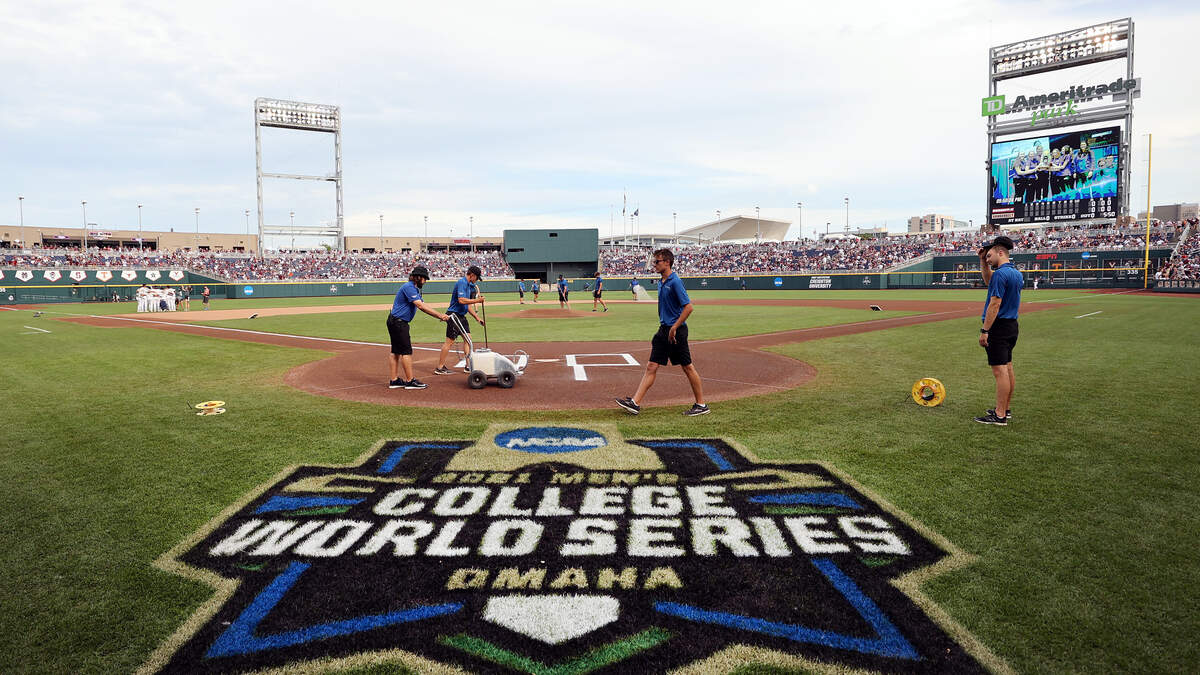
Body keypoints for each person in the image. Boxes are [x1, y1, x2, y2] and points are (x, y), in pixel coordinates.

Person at [616, 248, 709, 416]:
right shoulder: (661, 281)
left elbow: (689, 307)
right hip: (663, 330)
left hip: (676, 331)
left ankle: (701, 405)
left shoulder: (675, 281)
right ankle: (635, 403)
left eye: (657, 261)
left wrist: (674, 327)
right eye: (654, 261)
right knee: (651, 366)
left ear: (667, 262)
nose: (654, 264)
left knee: (687, 367)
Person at [975, 235, 1021, 426]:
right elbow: (989, 281)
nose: (987, 259)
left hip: (998, 327)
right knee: (1007, 368)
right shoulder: (1015, 273)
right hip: (1011, 326)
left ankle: (999, 415)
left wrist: (985, 330)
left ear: (1000, 252)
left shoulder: (1001, 274)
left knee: (1000, 371)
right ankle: (1005, 409)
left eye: (989, 255)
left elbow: (995, 304)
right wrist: (982, 261)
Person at [387, 266, 448, 390]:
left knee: (396, 352)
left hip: (395, 321)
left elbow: (423, 304)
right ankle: (410, 381)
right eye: (424, 279)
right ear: (418, 277)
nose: (425, 282)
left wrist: (440, 315)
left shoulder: (413, 288)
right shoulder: (409, 287)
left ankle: (394, 380)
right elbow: (421, 306)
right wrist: (440, 315)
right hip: (399, 323)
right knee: (406, 352)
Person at [434, 265, 486, 375]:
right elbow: (461, 300)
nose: (476, 280)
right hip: (454, 315)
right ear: (472, 275)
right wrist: (477, 300)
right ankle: (440, 367)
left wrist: (477, 318)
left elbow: (468, 306)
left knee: (468, 339)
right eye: (477, 278)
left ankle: (468, 366)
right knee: (449, 341)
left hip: (461, 316)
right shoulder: (462, 282)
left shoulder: (469, 285)